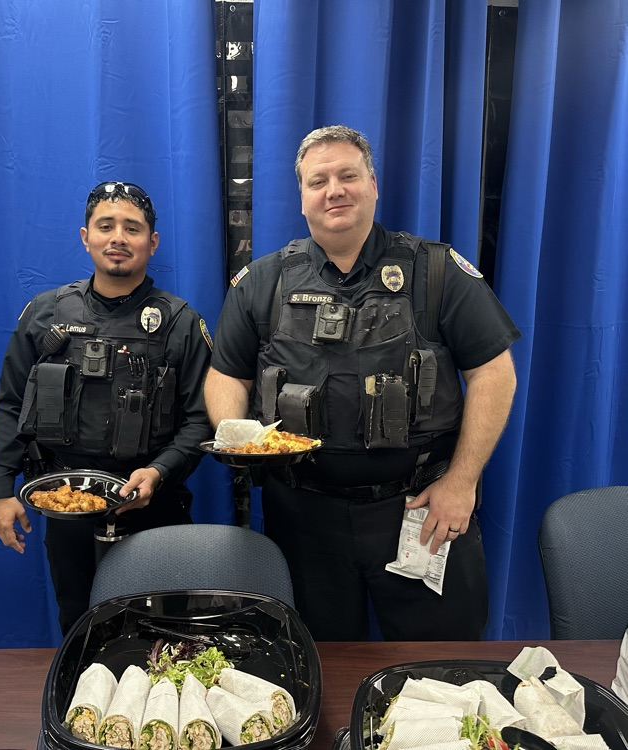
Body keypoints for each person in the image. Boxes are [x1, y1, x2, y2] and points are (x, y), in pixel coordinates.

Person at [204, 125, 520, 641]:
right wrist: (241, 436)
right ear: (302, 197)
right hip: (302, 517)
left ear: (373, 184)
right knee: (318, 666)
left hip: (421, 509)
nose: (334, 190)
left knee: (440, 668)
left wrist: (461, 482)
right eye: (318, 181)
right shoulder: (262, 281)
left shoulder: (436, 272)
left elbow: (494, 371)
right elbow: (226, 375)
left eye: (348, 176)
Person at [0, 181, 213, 635]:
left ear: (152, 242)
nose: (118, 238)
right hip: (66, 501)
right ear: (85, 236)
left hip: (153, 504)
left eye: (132, 228)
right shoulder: (44, 314)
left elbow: (200, 420)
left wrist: (160, 471)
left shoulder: (181, 323)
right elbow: (12, 404)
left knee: (163, 632)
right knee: (80, 625)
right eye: (105, 226)